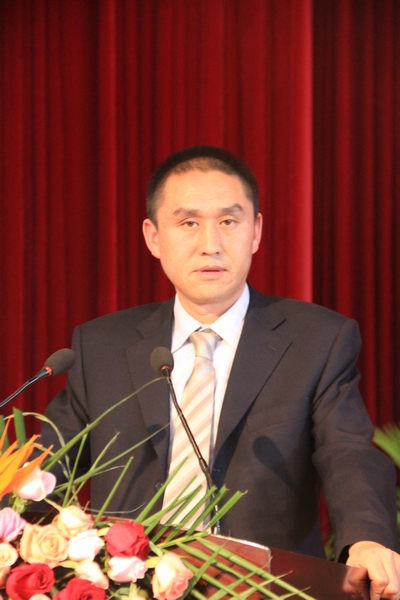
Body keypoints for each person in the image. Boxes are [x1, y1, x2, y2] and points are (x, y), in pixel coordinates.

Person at [43, 145, 400, 599]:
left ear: (256, 232)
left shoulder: (317, 340)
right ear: (154, 237)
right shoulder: (101, 346)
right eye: (188, 223)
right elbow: (47, 470)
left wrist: (367, 538)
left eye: (229, 221)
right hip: (128, 587)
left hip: (268, 589)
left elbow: (347, 451)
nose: (210, 244)